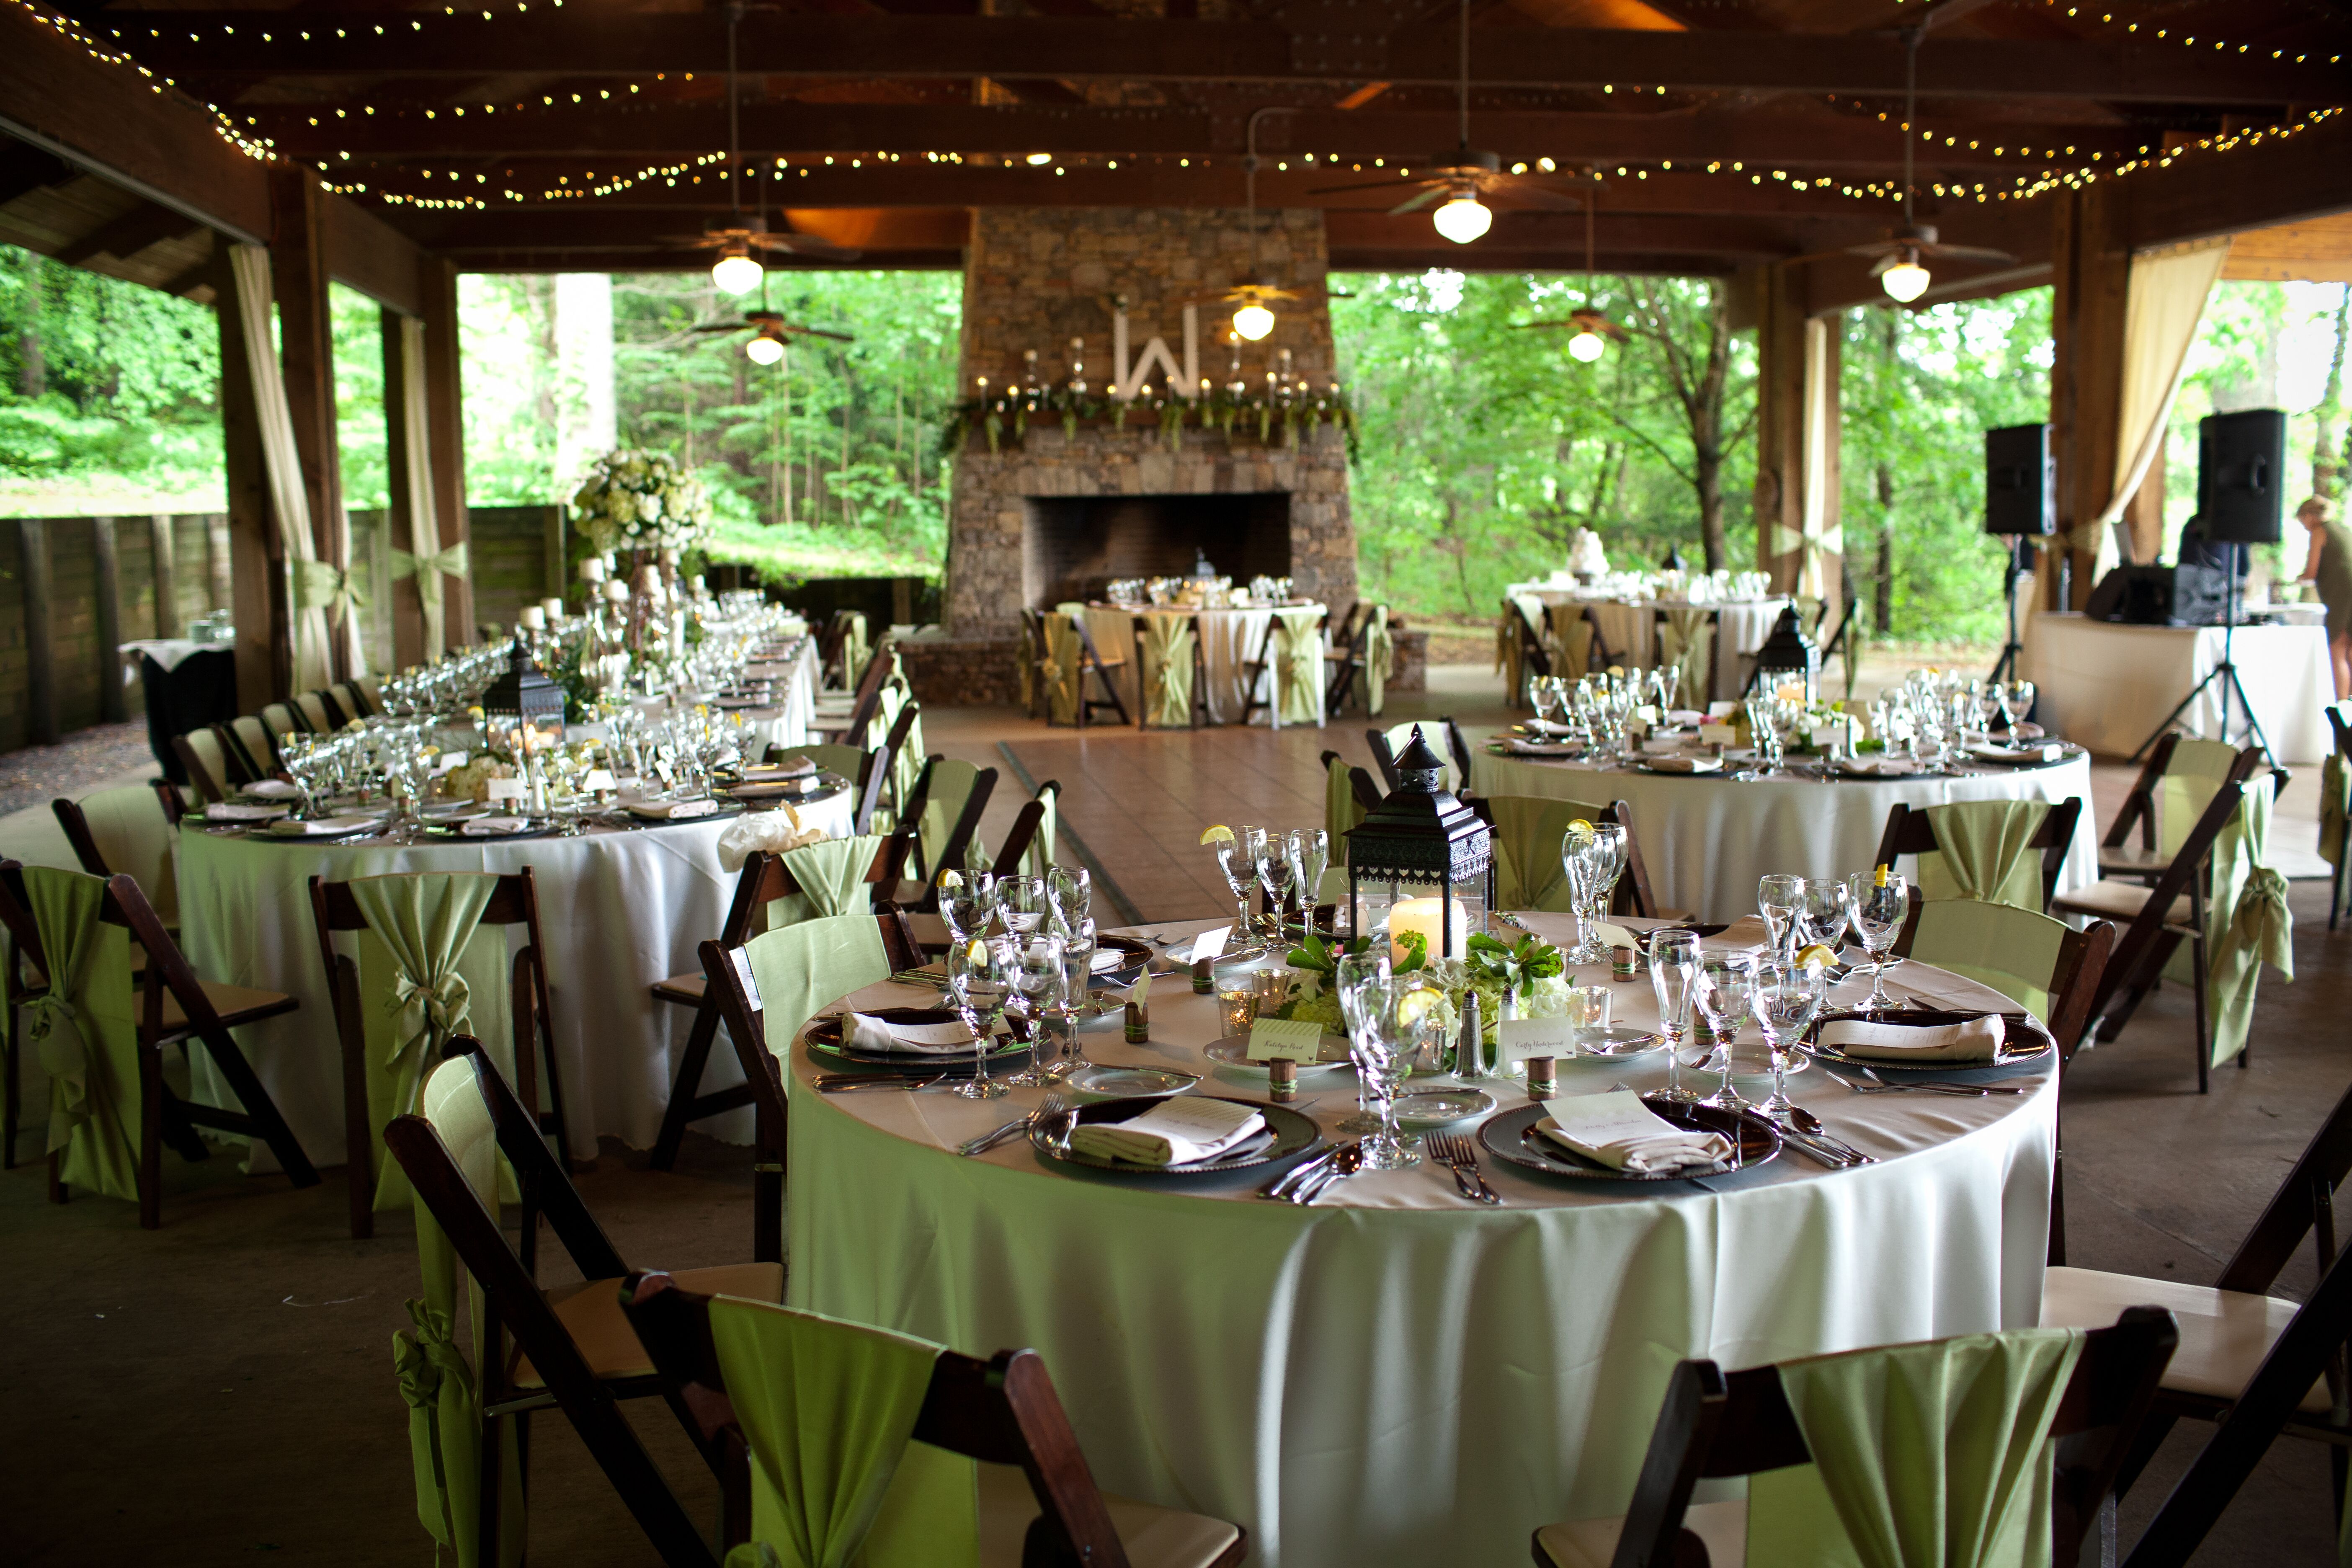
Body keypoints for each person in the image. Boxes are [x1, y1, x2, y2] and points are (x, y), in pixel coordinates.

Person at [2295, 494, 2352, 699]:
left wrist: (2298, 580)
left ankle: (2342, 708)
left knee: (2338, 648)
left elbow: (2311, 571)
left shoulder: (2320, 531)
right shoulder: (2343, 529)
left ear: (2310, 516)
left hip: (2341, 593)